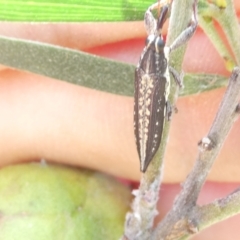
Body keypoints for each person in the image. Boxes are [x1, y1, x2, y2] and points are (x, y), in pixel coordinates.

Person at [0, 3, 240, 237]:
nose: (157, 40)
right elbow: (170, 75)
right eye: (155, 41)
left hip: (154, 107)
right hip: (153, 111)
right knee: (152, 123)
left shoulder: (152, 64)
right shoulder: (155, 67)